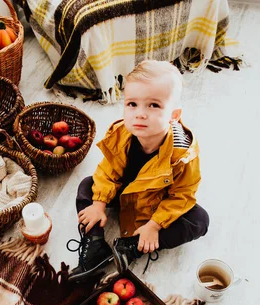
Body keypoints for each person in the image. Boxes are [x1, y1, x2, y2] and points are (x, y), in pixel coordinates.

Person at [67, 60, 209, 283]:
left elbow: (182, 195)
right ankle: (95, 245)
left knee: (199, 220)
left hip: (155, 203)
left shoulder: (183, 154)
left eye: (153, 105)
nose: (140, 114)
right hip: (126, 192)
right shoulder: (121, 133)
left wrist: (154, 225)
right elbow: (108, 170)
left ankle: (132, 246)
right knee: (88, 184)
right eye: (132, 104)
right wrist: (99, 204)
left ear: (174, 115)